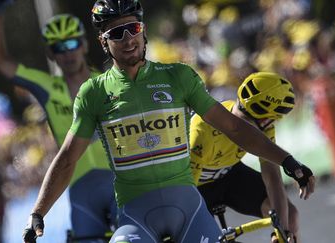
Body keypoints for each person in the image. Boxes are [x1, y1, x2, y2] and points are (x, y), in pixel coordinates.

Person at [22, 1, 315, 242]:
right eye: (117, 33)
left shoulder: (178, 77)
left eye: (133, 28)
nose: (127, 39)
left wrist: (289, 162)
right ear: (103, 41)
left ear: (143, 30)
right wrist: (38, 212)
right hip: (135, 216)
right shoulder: (93, 93)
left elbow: (235, 128)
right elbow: (67, 159)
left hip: (189, 210)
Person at [0, 0, 117, 240]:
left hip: (117, 182)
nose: (67, 52)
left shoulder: (108, 82)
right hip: (80, 188)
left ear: (85, 44)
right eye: (58, 48)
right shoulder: (47, 87)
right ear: (50, 53)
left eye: (72, 43)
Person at [190, 72, 306, 242]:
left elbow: (272, 177)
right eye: (273, 118)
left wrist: (281, 232)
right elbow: (186, 192)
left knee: (290, 217)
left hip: (228, 175)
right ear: (263, 116)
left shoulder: (264, 127)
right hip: (194, 186)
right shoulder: (202, 130)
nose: (273, 123)